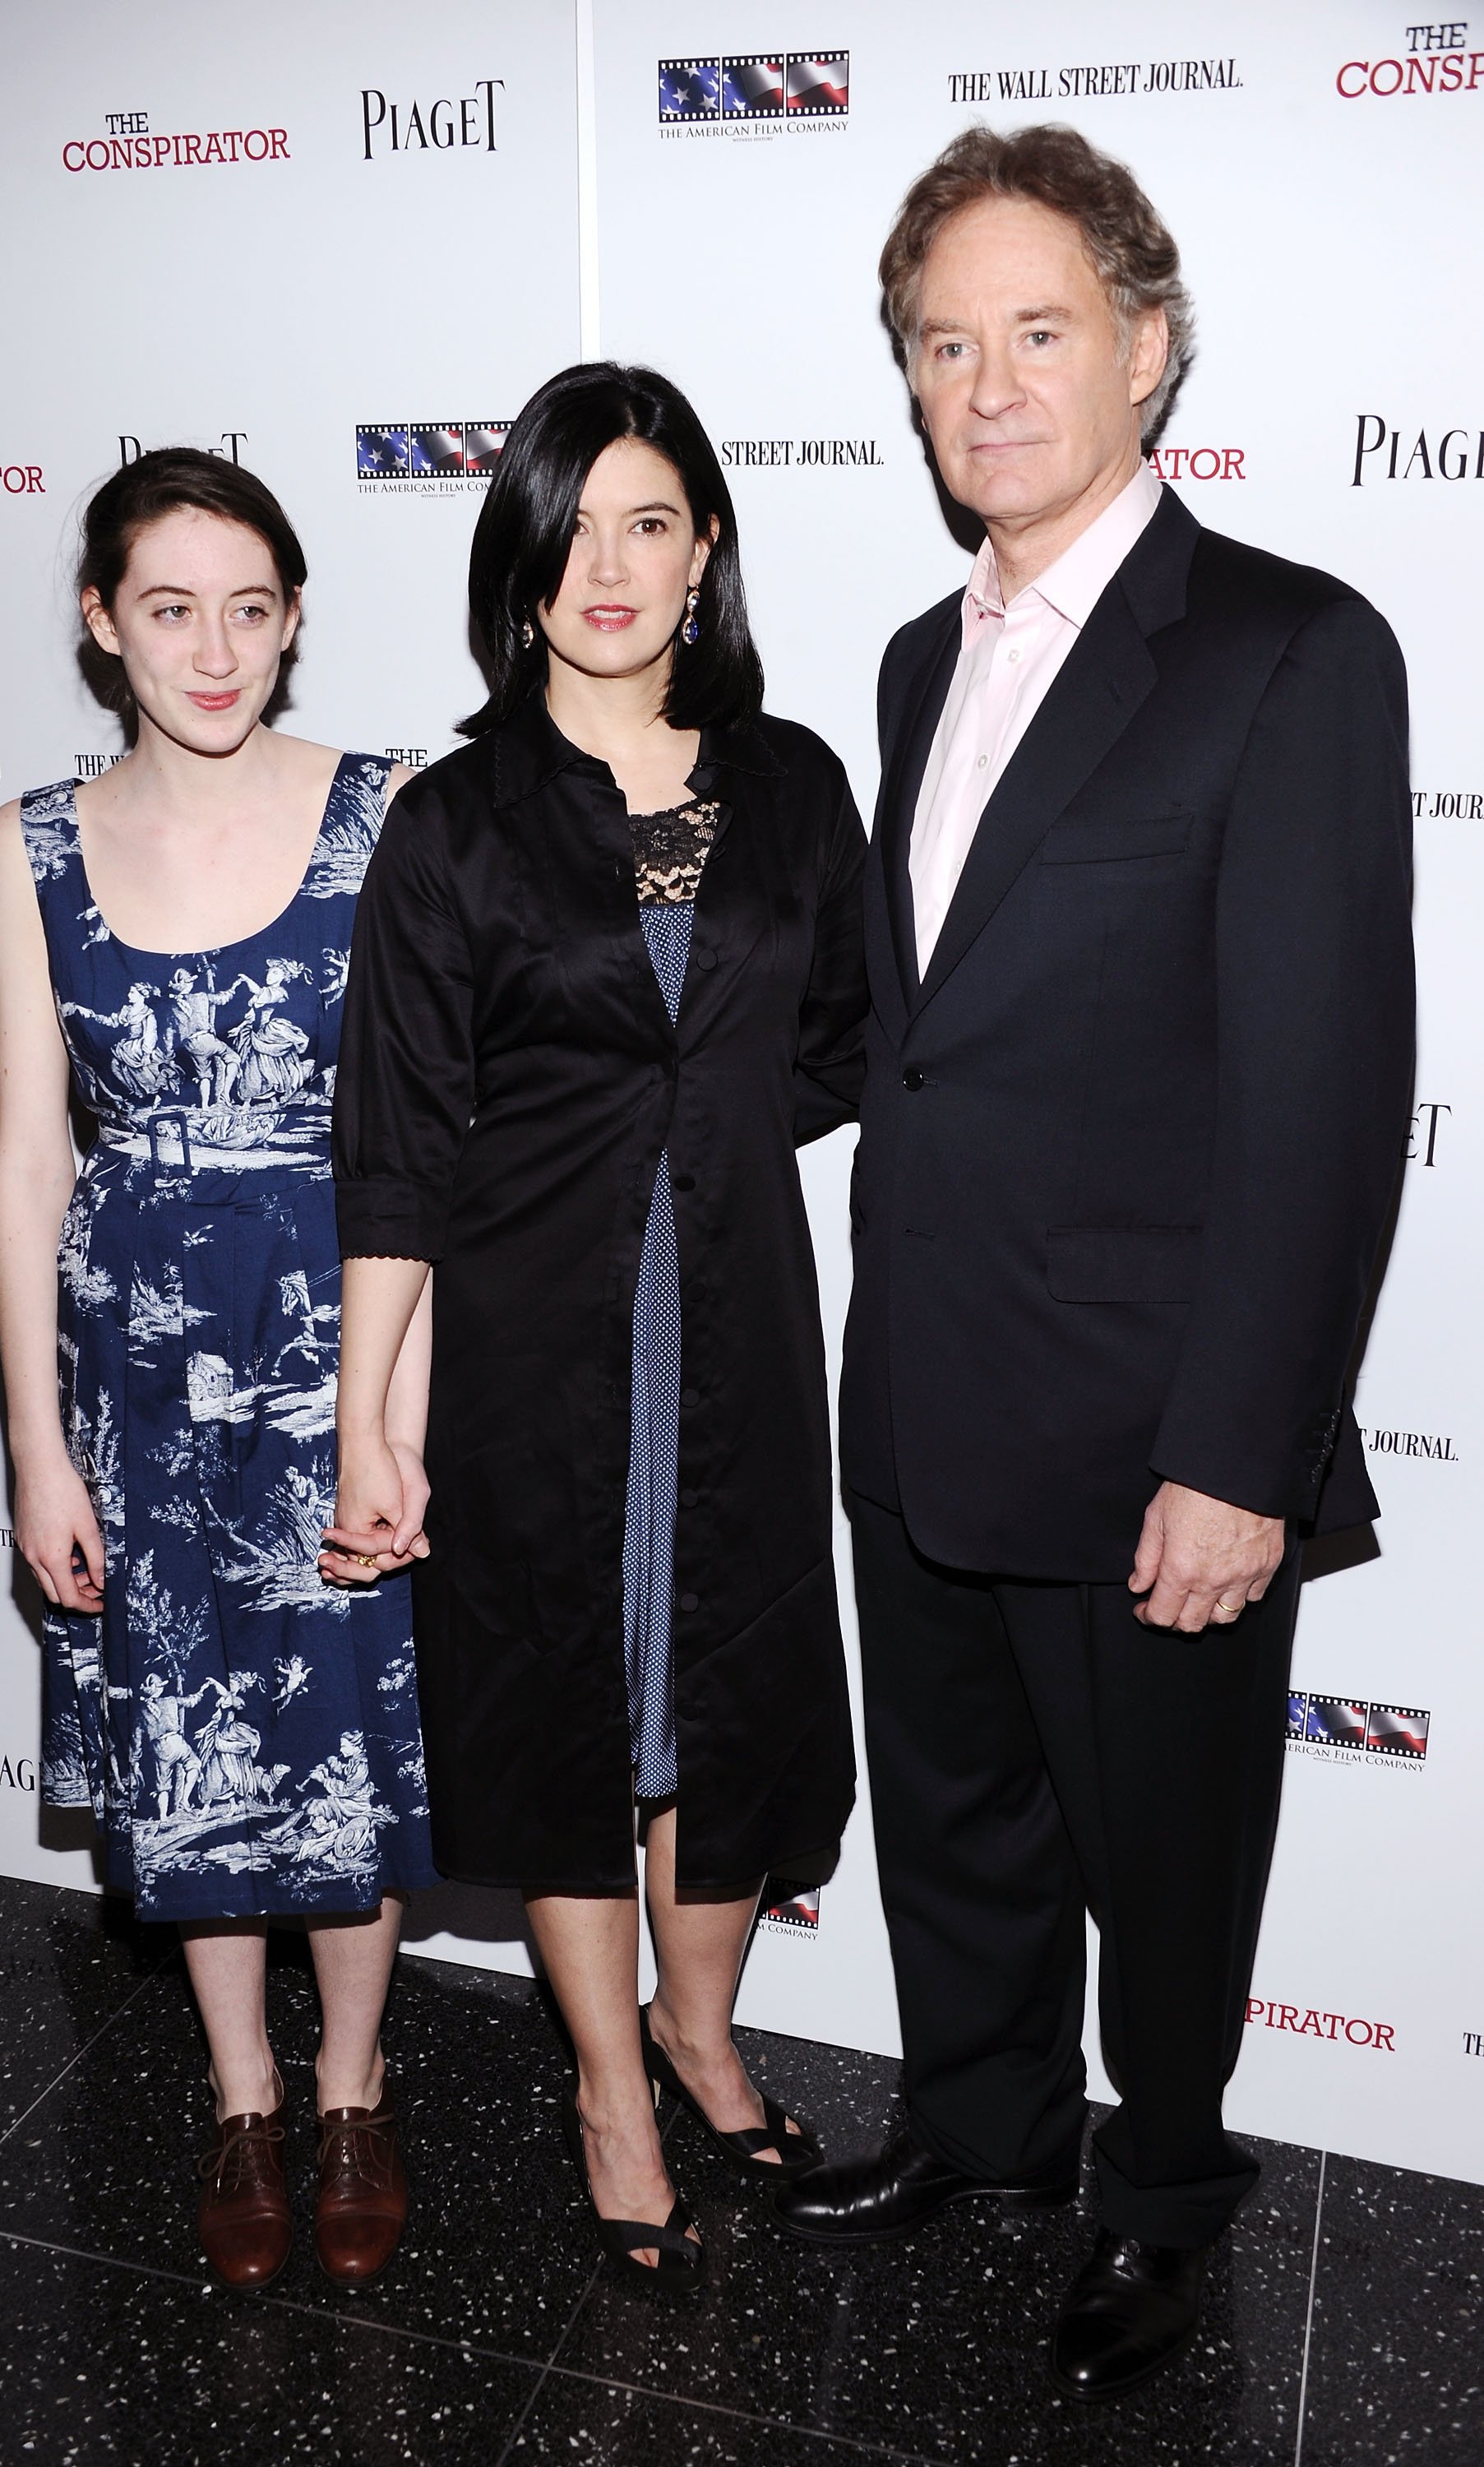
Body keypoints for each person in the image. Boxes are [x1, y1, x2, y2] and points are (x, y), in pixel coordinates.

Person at [772, 125, 1416, 2402]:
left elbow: (1319, 1100)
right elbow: (920, 1036)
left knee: (1164, 1847)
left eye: (1034, 330)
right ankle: (977, 2125)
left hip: (1153, 1419)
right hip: (925, 1374)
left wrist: (1235, 1452)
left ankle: (1157, 2199)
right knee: (948, 1805)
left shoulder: (1283, 651)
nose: (984, 382)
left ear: (1145, 347)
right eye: (940, 342)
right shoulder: (901, 663)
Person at [321, 363, 866, 2279]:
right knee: (568, 1702)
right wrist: (367, 1413)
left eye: (653, 521)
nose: (612, 564)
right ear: (520, 556)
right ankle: (609, 2092)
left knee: (719, 1690)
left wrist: (685, 1140)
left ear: (706, 546)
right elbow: (390, 1141)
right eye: (576, 523)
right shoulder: (452, 821)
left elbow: (839, 1046)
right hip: (532, 1338)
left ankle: (702, 2034)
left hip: (737, 1323)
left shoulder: (795, 786)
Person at [0, 447, 438, 2293]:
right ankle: (242, 2097)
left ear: (296, 616)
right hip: (135, 1366)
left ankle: (352, 2088)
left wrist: (392, 1421)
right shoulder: (30, 842)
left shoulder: (386, 813)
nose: (215, 648)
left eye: (251, 607)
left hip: (336, 1335)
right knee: (187, 1737)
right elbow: (28, 1161)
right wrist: (36, 1444)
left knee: (338, 1730)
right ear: (105, 625)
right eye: (170, 608)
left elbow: (428, 1138)